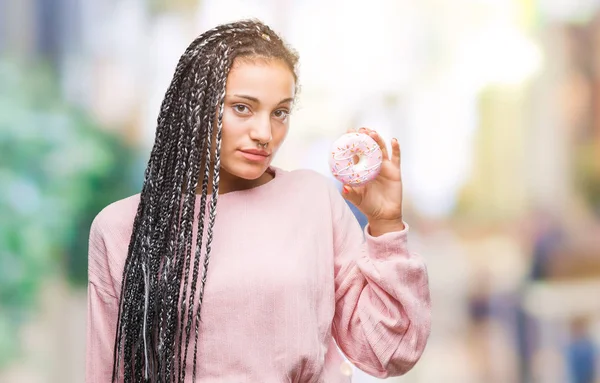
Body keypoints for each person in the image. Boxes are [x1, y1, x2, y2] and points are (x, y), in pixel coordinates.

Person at [86, 19, 431, 383]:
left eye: (280, 112)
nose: (265, 134)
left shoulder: (313, 201)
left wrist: (386, 224)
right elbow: (109, 372)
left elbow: (388, 351)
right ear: (194, 108)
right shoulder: (122, 228)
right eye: (242, 108)